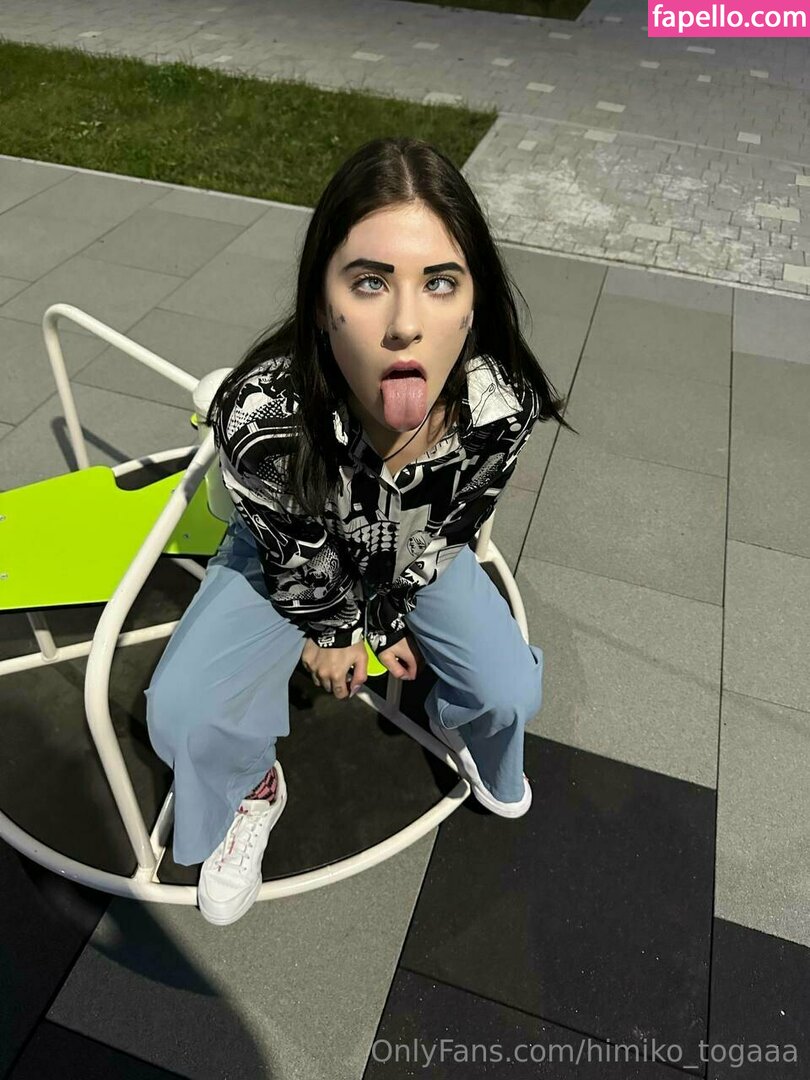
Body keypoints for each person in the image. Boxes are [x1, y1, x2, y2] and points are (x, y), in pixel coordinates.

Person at [145, 135, 578, 926]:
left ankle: (461, 726)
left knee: (510, 691)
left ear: (473, 301)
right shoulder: (263, 418)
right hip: (290, 554)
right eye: (371, 282)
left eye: (439, 282)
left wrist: (388, 611)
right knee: (181, 713)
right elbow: (297, 557)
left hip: (413, 550)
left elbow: (453, 526)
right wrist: (339, 631)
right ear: (321, 299)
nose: (406, 325)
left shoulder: (499, 408)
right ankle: (251, 786)